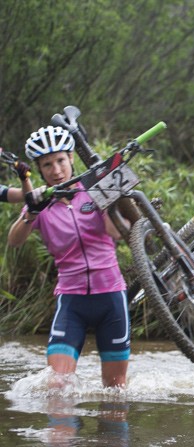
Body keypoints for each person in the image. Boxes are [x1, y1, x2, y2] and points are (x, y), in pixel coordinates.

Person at [7, 126, 131, 388]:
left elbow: (115, 233)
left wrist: (107, 199)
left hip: (110, 296)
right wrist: (31, 212)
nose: (56, 170)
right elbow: (14, 241)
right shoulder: (41, 202)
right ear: (39, 169)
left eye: (61, 160)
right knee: (57, 386)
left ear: (72, 159)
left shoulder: (91, 191)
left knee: (115, 391)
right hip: (71, 300)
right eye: (47, 164)